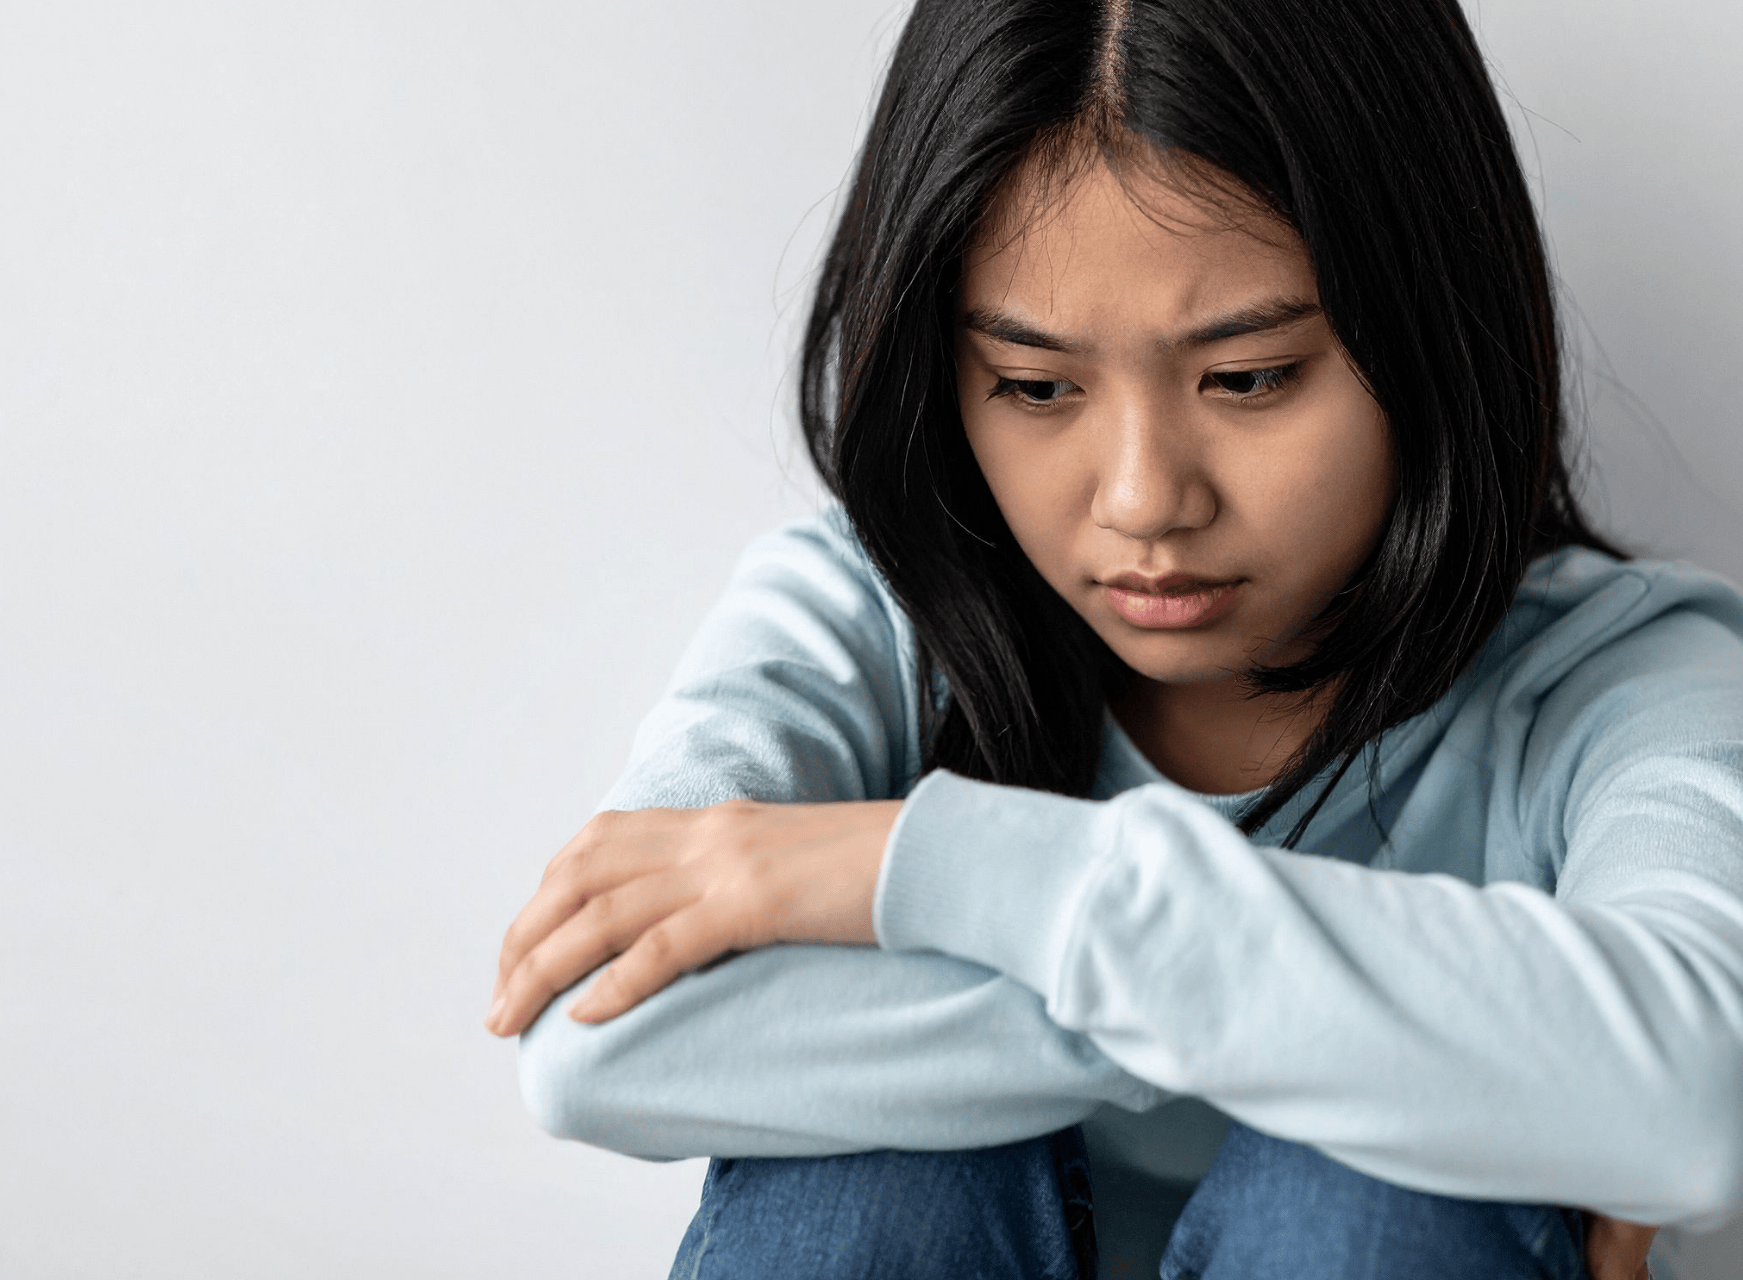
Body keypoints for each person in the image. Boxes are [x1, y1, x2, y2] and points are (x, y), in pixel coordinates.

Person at [483, 0, 1743, 1276]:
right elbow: (594, 1039)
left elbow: (1703, 1093)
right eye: (1036, 388)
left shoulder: (1620, 680)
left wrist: (924, 874)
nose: (1144, 499)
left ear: (1431, 326)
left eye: (1248, 377)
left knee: (1372, 1196)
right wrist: (1428, 1035)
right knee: (869, 1178)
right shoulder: (868, 620)